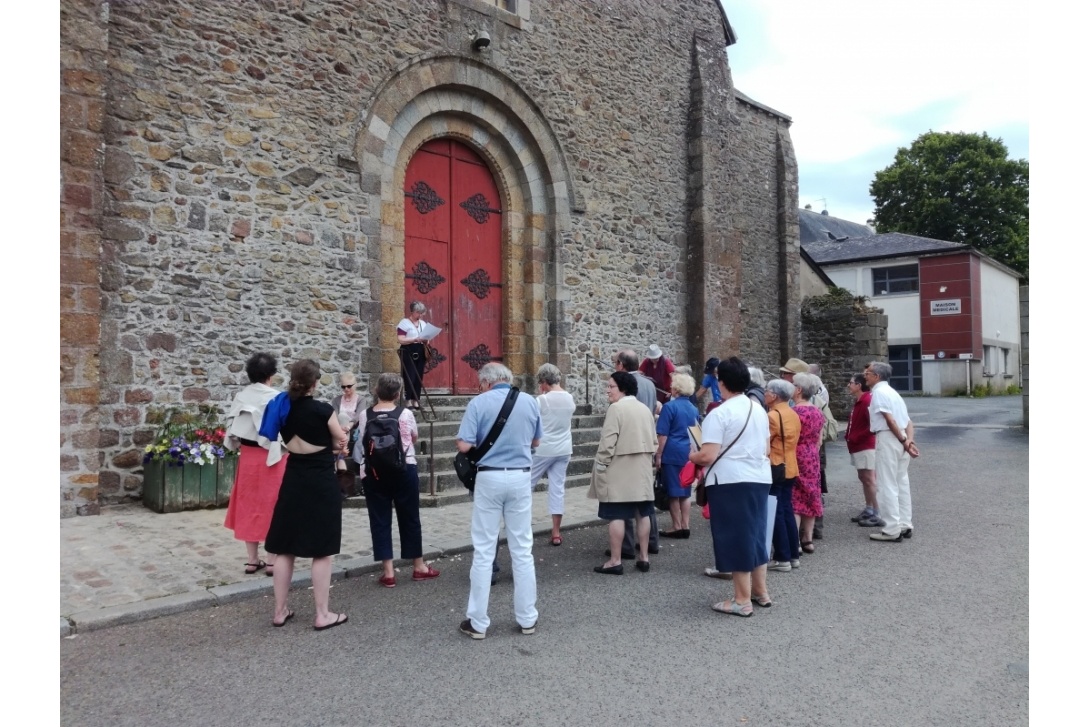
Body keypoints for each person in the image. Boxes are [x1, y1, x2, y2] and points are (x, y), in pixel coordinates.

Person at [456, 363, 542, 640]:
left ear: (486, 383)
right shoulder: (530, 401)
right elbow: (537, 442)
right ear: (508, 379)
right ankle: (527, 617)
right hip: (520, 477)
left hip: (489, 478)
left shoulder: (478, 403)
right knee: (522, 548)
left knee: (483, 549)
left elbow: (464, 446)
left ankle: (478, 621)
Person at [264, 359, 349, 630]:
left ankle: (280, 611)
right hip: (320, 480)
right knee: (322, 550)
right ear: (315, 383)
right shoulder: (323, 410)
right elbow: (339, 441)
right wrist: (341, 443)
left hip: (293, 478)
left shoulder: (283, 407)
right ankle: (322, 613)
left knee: (284, 548)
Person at [690, 357, 772, 616]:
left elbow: (707, 455)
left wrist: (691, 455)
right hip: (759, 476)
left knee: (736, 537)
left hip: (731, 480)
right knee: (756, 533)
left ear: (721, 382)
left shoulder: (720, 413)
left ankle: (741, 599)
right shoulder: (758, 408)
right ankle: (760, 591)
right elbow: (767, 447)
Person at [354, 373, 440, 587]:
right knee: (410, 516)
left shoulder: (365, 415)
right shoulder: (405, 414)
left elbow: (363, 437)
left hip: (373, 472)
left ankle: (389, 572)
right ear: (398, 393)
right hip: (404, 468)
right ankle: (418, 566)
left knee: (380, 518)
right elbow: (413, 438)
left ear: (376, 391)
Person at [223, 352, 288, 577]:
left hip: (248, 456)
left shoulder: (241, 396)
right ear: (271, 374)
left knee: (249, 504)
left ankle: (252, 560)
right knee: (274, 505)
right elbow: (285, 431)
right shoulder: (278, 397)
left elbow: (231, 428)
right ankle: (271, 561)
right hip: (273, 457)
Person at [589, 371, 657, 575]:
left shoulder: (616, 409)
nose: (607, 390)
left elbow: (608, 442)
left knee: (617, 515)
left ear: (623, 388)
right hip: (643, 467)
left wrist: (601, 465)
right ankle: (644, 558)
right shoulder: (645, 409)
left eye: (611, 386)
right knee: (643, 513)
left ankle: (615, 561)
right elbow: (654, 441)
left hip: (619, 468)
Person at [864, 362, 919, 542]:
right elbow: (908, 421)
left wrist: (904, 440)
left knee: (887, 483)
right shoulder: (894, 393)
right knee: (901, 481)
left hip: (889, 437)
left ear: (877, 376)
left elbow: (889, 420)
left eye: (868, 373)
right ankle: (904, 523)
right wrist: (908, 440)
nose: (865, 375)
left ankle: (891, 528)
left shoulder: (879, 393)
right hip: (901, 435)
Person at [614, 349, 660, 558]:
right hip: (646, 444)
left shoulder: (623, 384)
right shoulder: (650, 383)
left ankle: (625, 545)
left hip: (628, 445)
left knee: (623, 498)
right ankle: (651, 541)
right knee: (644, 498)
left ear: (622, 365)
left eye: (616, 362)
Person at [530, 363, 576, 546]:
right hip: (564, 448)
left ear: (543, 382)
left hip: (543, 449)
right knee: (557, 489)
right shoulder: (570, 398)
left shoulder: (541, 400)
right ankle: (556, 532)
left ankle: (521, 525)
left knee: (526, 485)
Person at [655, 373, 699, 538]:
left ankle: (676, 526)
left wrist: (658, 455)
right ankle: (685, 525)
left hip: (672, 452)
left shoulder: (669, 407)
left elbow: (663, 435)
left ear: (677, 389)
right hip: (687, 452)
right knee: (685, 491)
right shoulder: (693, 408)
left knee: (673, 492)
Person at [764, 378, 801, 572]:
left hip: (776, 466)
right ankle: (792, 554)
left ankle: (782, 557)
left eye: (767, 391)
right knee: (786, 509)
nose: (765, 394)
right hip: (790, 466)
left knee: (777, 511)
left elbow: (765, 444)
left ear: (774, 395)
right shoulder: (792, 413)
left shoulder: (772, 416)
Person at [790, 372, 825, 554]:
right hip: (812, 454)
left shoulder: (795, 412)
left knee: (795, 496)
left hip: (797, 453)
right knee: (811, 493)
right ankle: (808, 539)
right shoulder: (817, 411)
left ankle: (794, 539)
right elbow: (819, 439)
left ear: (798, 390)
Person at [846, 372, 881, 527]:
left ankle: (878, 511)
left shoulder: (867, 400)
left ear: (859, 385)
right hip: (858, 445)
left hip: (865, 445)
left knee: (869, 479)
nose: (849, 385)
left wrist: (855, 436)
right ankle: (869, 508)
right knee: (864, 478)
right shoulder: (860, 400)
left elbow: (872, 425)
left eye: (851, 383)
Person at [330, 372, 369, 480]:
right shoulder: (337, 400)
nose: (346, 389)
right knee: (341, 417)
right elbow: (334, 416)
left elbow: (358, 416)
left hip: (354, 431)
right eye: (343, 387)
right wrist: (342, 428)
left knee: (343, 416)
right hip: (340, 431)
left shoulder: (361, 400)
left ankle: (340, 454)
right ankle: (341, 453)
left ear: (355, 385)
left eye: (349, 386)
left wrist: (348, 427)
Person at [396, 300, 430, 410]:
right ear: (413, 311)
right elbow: (400, 339)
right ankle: (408, 400)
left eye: (422, 313)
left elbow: (427, 339)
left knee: (419, 376)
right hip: (408, 350)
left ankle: (416, 400)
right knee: (409, 375)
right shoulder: (404, 323)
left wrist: (426, 340)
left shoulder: (423, 324)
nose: (420, 315)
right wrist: (414, 339)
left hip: (420, 350)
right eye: (418, 312)